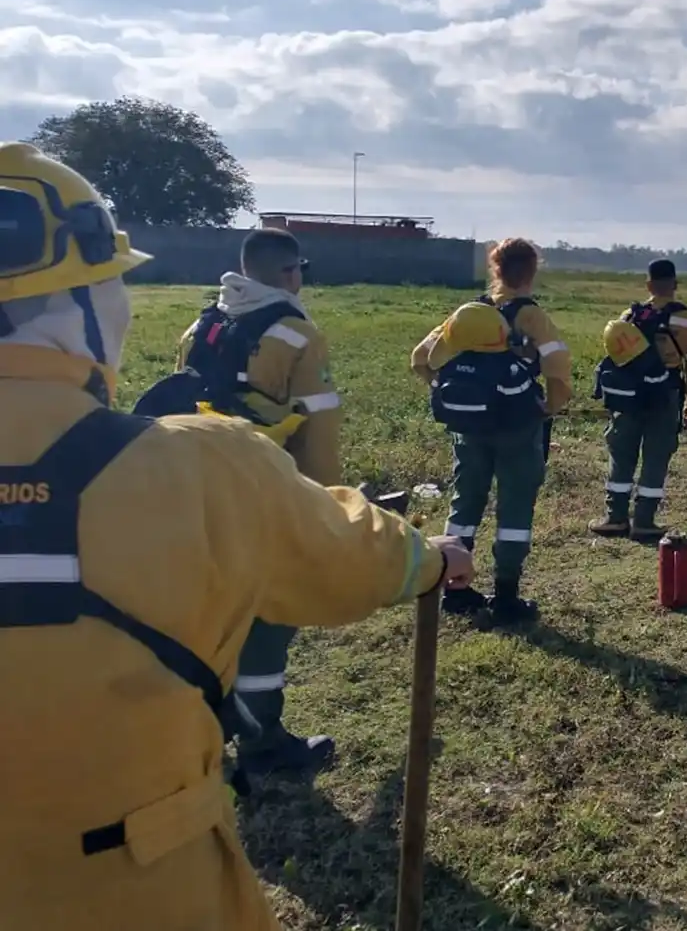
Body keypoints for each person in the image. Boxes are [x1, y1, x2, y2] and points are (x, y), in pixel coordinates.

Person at [0, 141, 474, 929]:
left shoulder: (211, 320)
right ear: (87, 310)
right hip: (142, 889)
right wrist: (429, 559)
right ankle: (266, 734)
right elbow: (350, 552)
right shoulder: (210, 469)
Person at [171, 227, 347, 776]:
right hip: (264, 490)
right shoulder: (296, 333)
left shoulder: (201, 325)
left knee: (212, 610)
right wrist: (325, 502)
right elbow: (318, 424)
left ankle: (205, 730)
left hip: (199, 488)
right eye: (301, 270)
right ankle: (263, 739)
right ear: (289, 273)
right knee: (268, 616)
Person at [411, 237, 572, 625]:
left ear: (494, 269)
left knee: (465, 503)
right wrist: (547, 407)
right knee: (515, 507)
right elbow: (558, 368)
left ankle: (454, 588)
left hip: (469, 427)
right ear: (532, 271)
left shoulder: (472, 313)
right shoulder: (531, 317)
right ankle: (506, 595)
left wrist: (445, 390)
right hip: (517, 426)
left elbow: (420, 358)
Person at [588, 258, 687, 540]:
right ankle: (643, 522)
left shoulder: (629, 315)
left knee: (621, 454)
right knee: (656, 457)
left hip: (627, 397)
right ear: (675, 285)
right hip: (664, 396)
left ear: (648, 285)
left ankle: (615, 518)